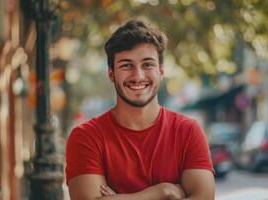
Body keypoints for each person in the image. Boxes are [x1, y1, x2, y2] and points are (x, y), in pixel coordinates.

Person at [66, 19, 215, 200]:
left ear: (161, 71)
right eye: (126, 65)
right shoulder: (86, 137)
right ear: (111, 74)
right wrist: (164, 192)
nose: (138, 76)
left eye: (147, 64)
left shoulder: (188, 131)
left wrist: (121, 198)